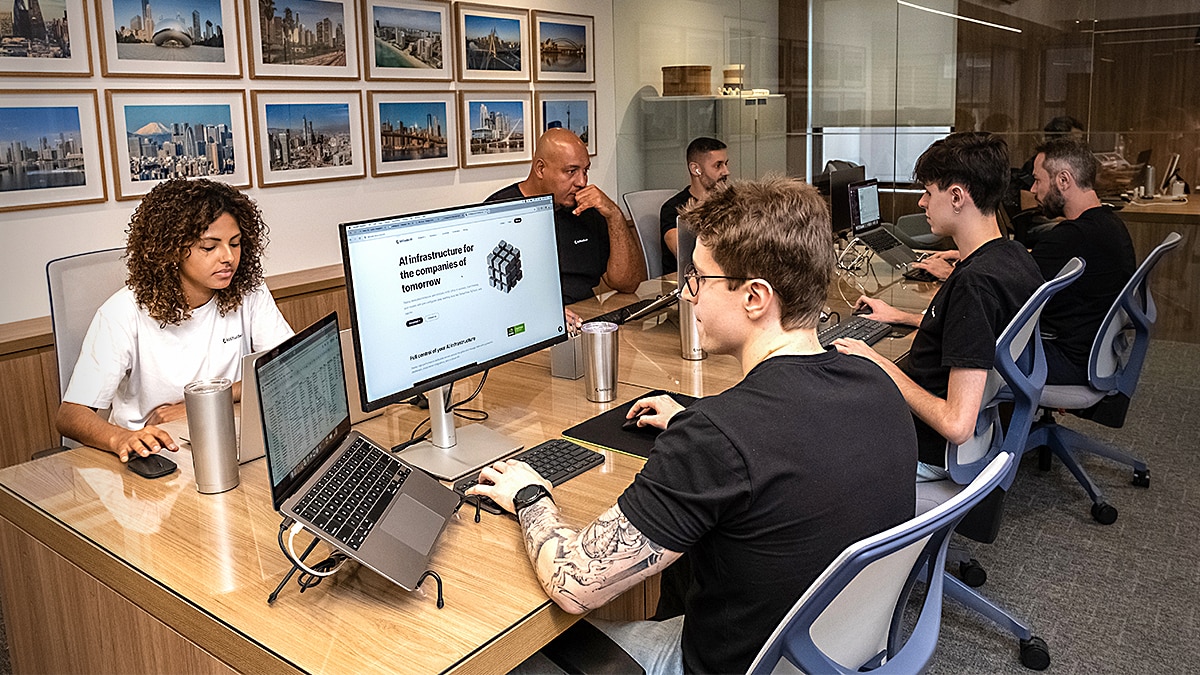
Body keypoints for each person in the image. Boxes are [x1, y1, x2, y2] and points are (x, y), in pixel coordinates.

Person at [469, 176, 917, 674]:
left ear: (754, 297)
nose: (686, 294)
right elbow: (789, 445)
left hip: (729, 664)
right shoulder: (875, 382)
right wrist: (697, 424)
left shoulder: (718, 439)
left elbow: (575, 583)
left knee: (523, 655)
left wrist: (531, 495)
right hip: (829, 651)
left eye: (699, 279)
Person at [835, 132, 1043, 473]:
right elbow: (973, 333)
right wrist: (899, 315)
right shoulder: (1013, 255)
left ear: (958, 197)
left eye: (929, 192)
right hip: (975, 433)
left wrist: (876, 361)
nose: (921, 203)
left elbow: (956, 424)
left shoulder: (974, 285)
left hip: (922, 445)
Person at [56, 178, 294, 463]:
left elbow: (287, 366)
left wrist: (204, 403)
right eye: (209, 247)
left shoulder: (248, 292)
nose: (229, 257)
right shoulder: (122, 313)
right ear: (172, 250)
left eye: (236, 243)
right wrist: (120, 438)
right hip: (155, 454)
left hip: (230, 437)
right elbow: (70, 415)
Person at [913, 138, 1137, 385]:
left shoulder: (1070, 237)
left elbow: (987, 314)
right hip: (1087, 349)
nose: (1032, 190)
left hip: (1063, 355)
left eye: (1037, 180)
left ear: (1063, 180)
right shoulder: (1107, 224)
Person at [486, 128, 645, 328]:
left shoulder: (586, 209)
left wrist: (614, 214)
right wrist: (540, 311)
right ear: (540, 169)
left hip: (585, 321)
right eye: (571, 171)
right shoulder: (498, 213)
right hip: (528, 326)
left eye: (585, 170)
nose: (582, 182)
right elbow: (489, 296)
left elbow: (627, 284)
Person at [658, 137, 730, 274]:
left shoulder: (730, 202)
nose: (726, 171)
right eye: (718, 165)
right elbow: (685, 254)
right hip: (689, 285)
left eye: (726, 164)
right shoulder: (673, 209)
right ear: (695, 169)